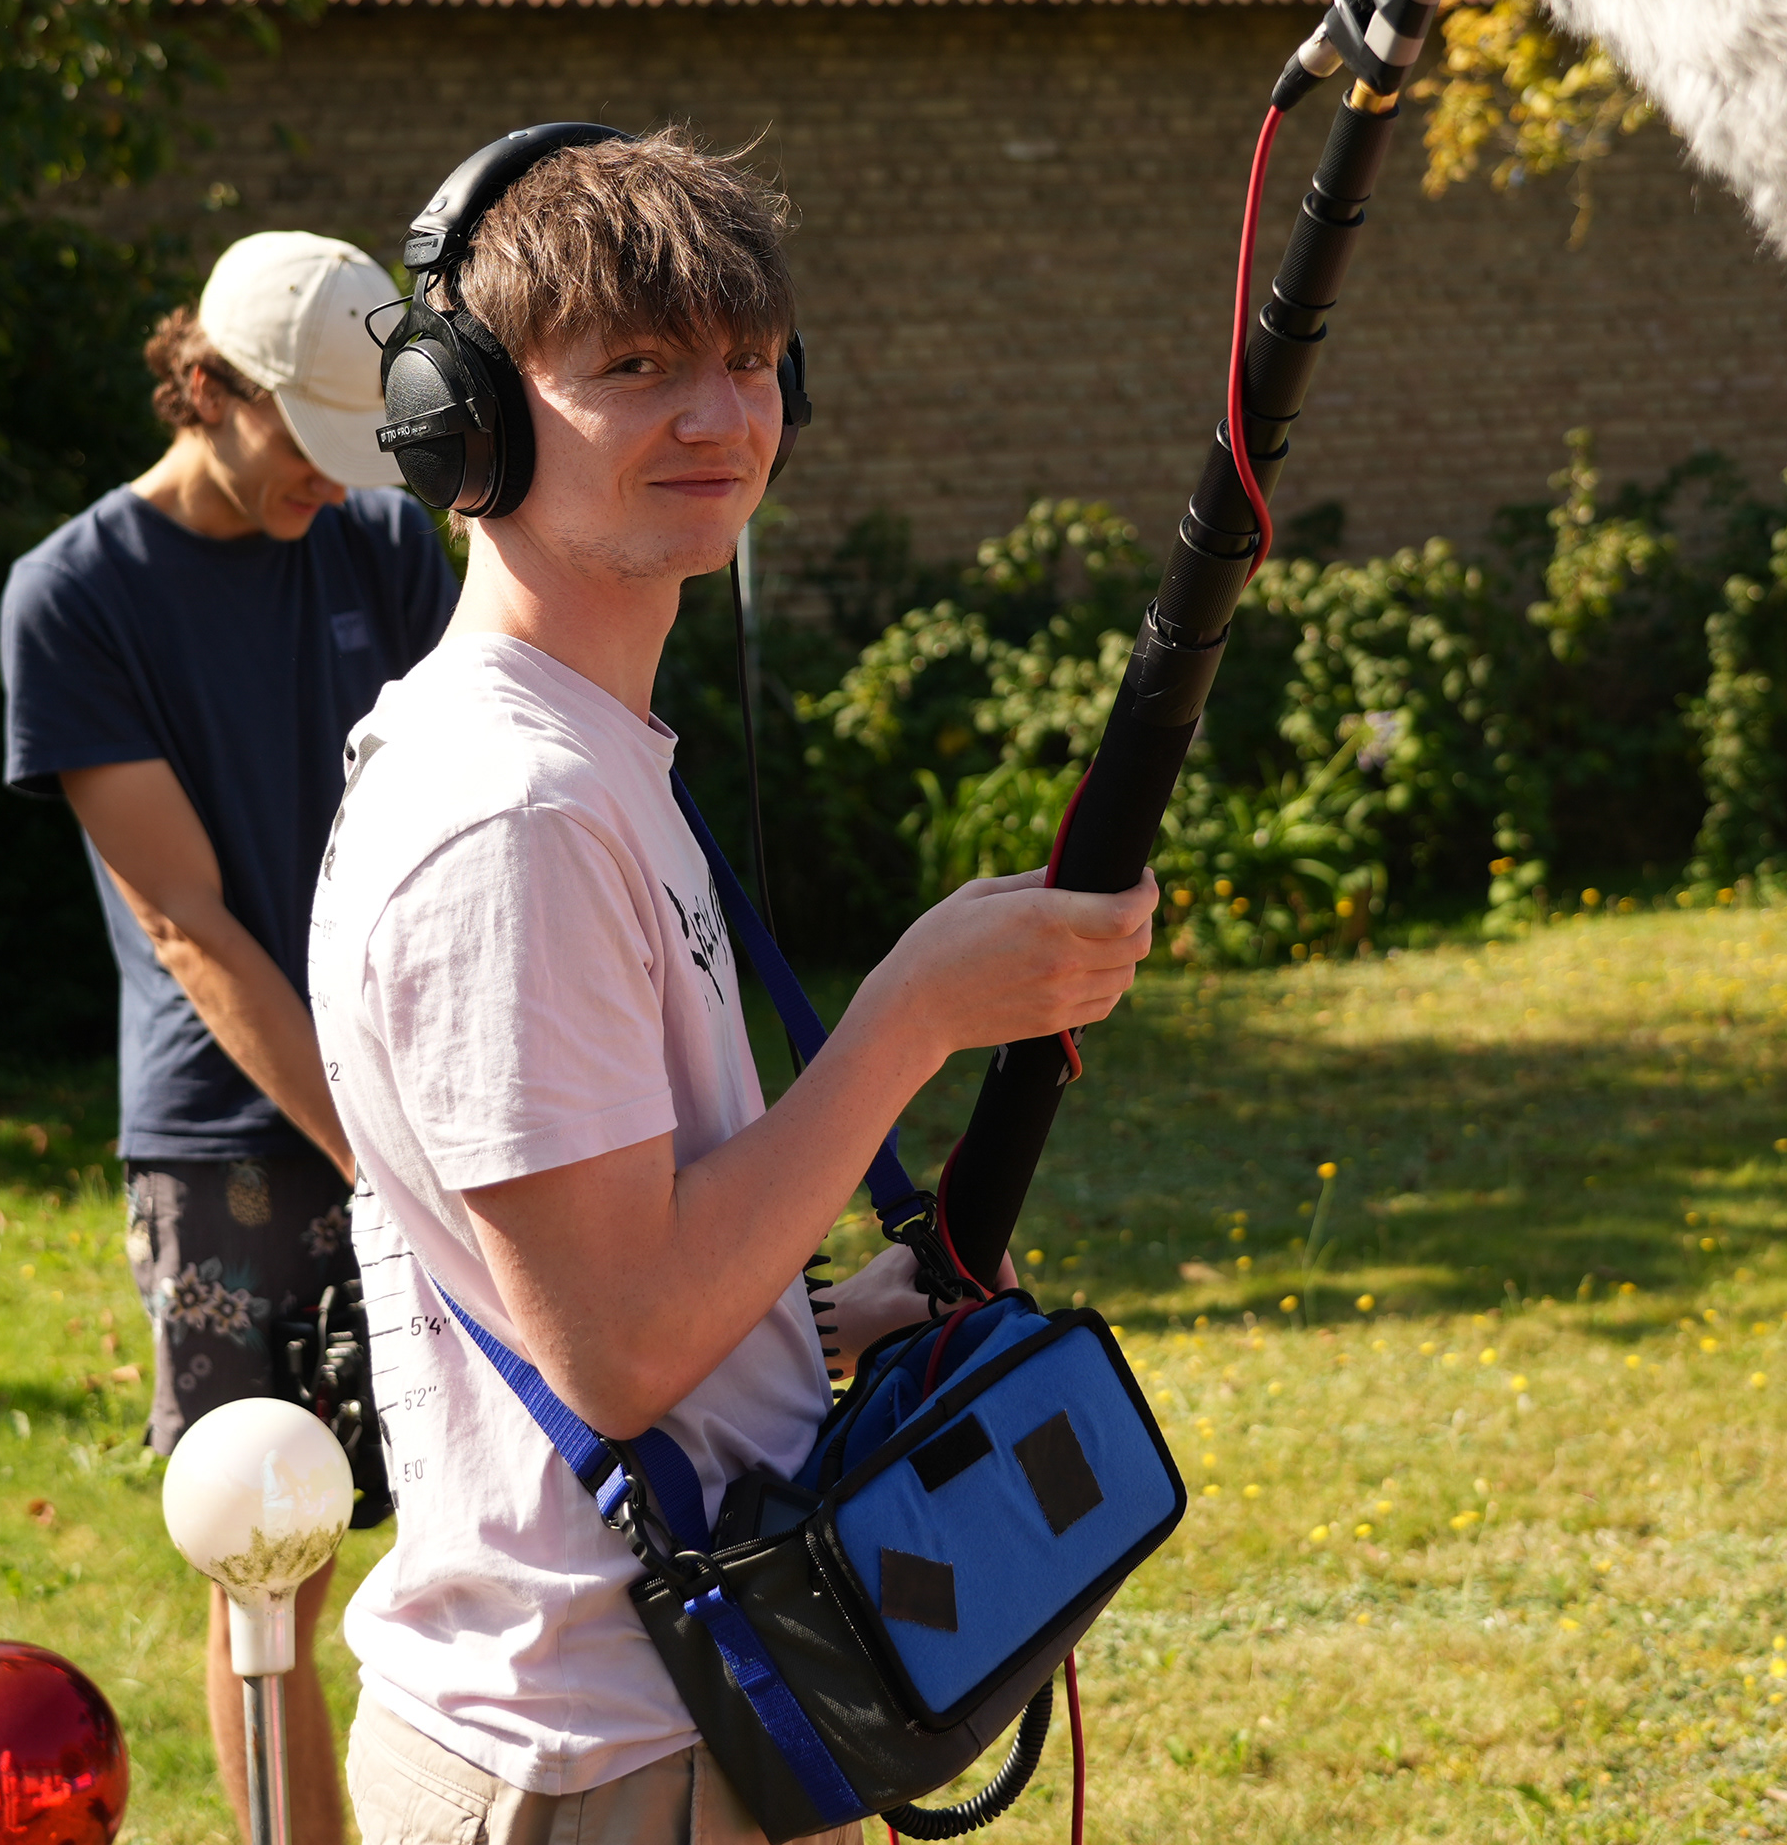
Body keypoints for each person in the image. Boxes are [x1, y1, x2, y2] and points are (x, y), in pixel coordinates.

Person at [314, 133, 1158, 1845]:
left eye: (752, 359)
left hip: (666, 1734)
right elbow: (619, 1348)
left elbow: (585, 1271)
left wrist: (820, 1323)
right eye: (636, 367)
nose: (720, 417)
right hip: (598, 1762)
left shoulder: (587, 761)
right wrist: (913, 1015)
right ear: (461, 417)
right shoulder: (515, 817)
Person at [0, 231, 454, 1845]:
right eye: (302, 443)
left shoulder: (381, 545)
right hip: (231, 1153)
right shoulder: (74, 599)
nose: (331, 482)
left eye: (355, 447)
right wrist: (381, 1158)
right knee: (273, 1578)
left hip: (427, 1107)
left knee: (491, 1525)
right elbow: (186, 921)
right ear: (203, 385)